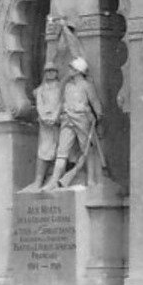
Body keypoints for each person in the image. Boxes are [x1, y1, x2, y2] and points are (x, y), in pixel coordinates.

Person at [44, 57, 104, 189]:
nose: (69, 70)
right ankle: (54, 180)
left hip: (82, 120)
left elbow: (94, 101)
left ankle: (91, 179)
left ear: (78, 71)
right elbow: (62, 102)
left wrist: (99, 115)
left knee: (87, 150)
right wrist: (56, 115)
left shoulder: (87, 85)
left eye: (72, 68)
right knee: (62, 151)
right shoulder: (68, 86)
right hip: (67, 119)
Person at [24, 64, 63, 191]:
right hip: (45, 123)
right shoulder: (41, 90)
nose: (50, 73)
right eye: (47, 71)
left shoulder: (61, 88)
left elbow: (61, 103)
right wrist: (44, 117)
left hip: (57, 123)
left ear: (56, 73)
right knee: (43, 150)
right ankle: (39, 180)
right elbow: (39, 104)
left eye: (52, 71)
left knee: (58, 149)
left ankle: (54, 179)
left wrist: (55, 116)